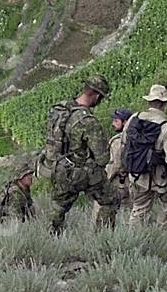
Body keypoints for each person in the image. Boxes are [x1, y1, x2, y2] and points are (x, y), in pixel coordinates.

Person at [44, 76, 118, 233]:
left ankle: (49, 237)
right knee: (111, 200)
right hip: (81, 173)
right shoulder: (88, 121)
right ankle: (103, 238)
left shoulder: (61, 109)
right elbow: (102, 158)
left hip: (59, 168)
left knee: (58, 207)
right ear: (96, 96)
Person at [122, 85, 167, 227]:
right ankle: (163, 232)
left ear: (149, 102)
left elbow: (124, 143)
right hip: (160, 178)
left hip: (137, 175)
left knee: (139, 210)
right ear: (164, 104)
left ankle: (133, 237)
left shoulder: (134, 119)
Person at [98, 107, 133, 224]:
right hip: (131, 182)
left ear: (125, 122)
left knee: (109, 213)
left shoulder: (119, 140)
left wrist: (104, 180)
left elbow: (116, 165)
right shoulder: (134, 137)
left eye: (116, 121)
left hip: (119, 183)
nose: (113, 124)